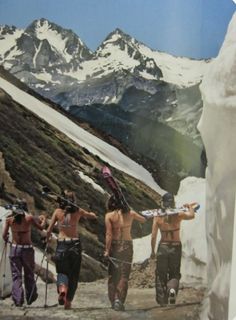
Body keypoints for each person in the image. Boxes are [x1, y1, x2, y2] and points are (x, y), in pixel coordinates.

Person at [46, 190, 97, 309]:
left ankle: (63, 289)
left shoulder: (58, 212)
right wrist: (93, 214)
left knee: (62, 272)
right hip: (75, 245)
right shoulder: (78, 211)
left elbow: (49, 230)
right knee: (74, 275)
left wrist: (47, 240)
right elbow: (91, 216)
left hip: (62, 245)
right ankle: (68, 302)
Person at [151, 192, 195, 306]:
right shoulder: (179, 215)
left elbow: (153, 236)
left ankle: (162, 301)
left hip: (163, 246)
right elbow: (191, 215)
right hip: (175, 246)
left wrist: (152, 251)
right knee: (174, 272)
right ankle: (172, 290)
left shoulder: (157, 216)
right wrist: (189, 206)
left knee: (161, 274)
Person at [104, 195, 146, 311]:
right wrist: (130, 210)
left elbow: (109, 235)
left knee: (113, 274)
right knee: (124, 275)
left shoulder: (109, 216)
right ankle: (119, 300)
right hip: (127, 245)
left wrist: (107, 250)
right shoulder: (131, 214)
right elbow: (143, 219)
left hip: (114, 246)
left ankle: (113, 301)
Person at [2, 199, 46, 307]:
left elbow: (4, 235)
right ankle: (30, 296)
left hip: (15, 249)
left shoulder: (9, 220)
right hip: (27, 249)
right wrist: (43, 219)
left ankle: (18, 300)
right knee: (29, 273)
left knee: (16, 275)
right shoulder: (28, 218)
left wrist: (8, 239)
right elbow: (41, 227)